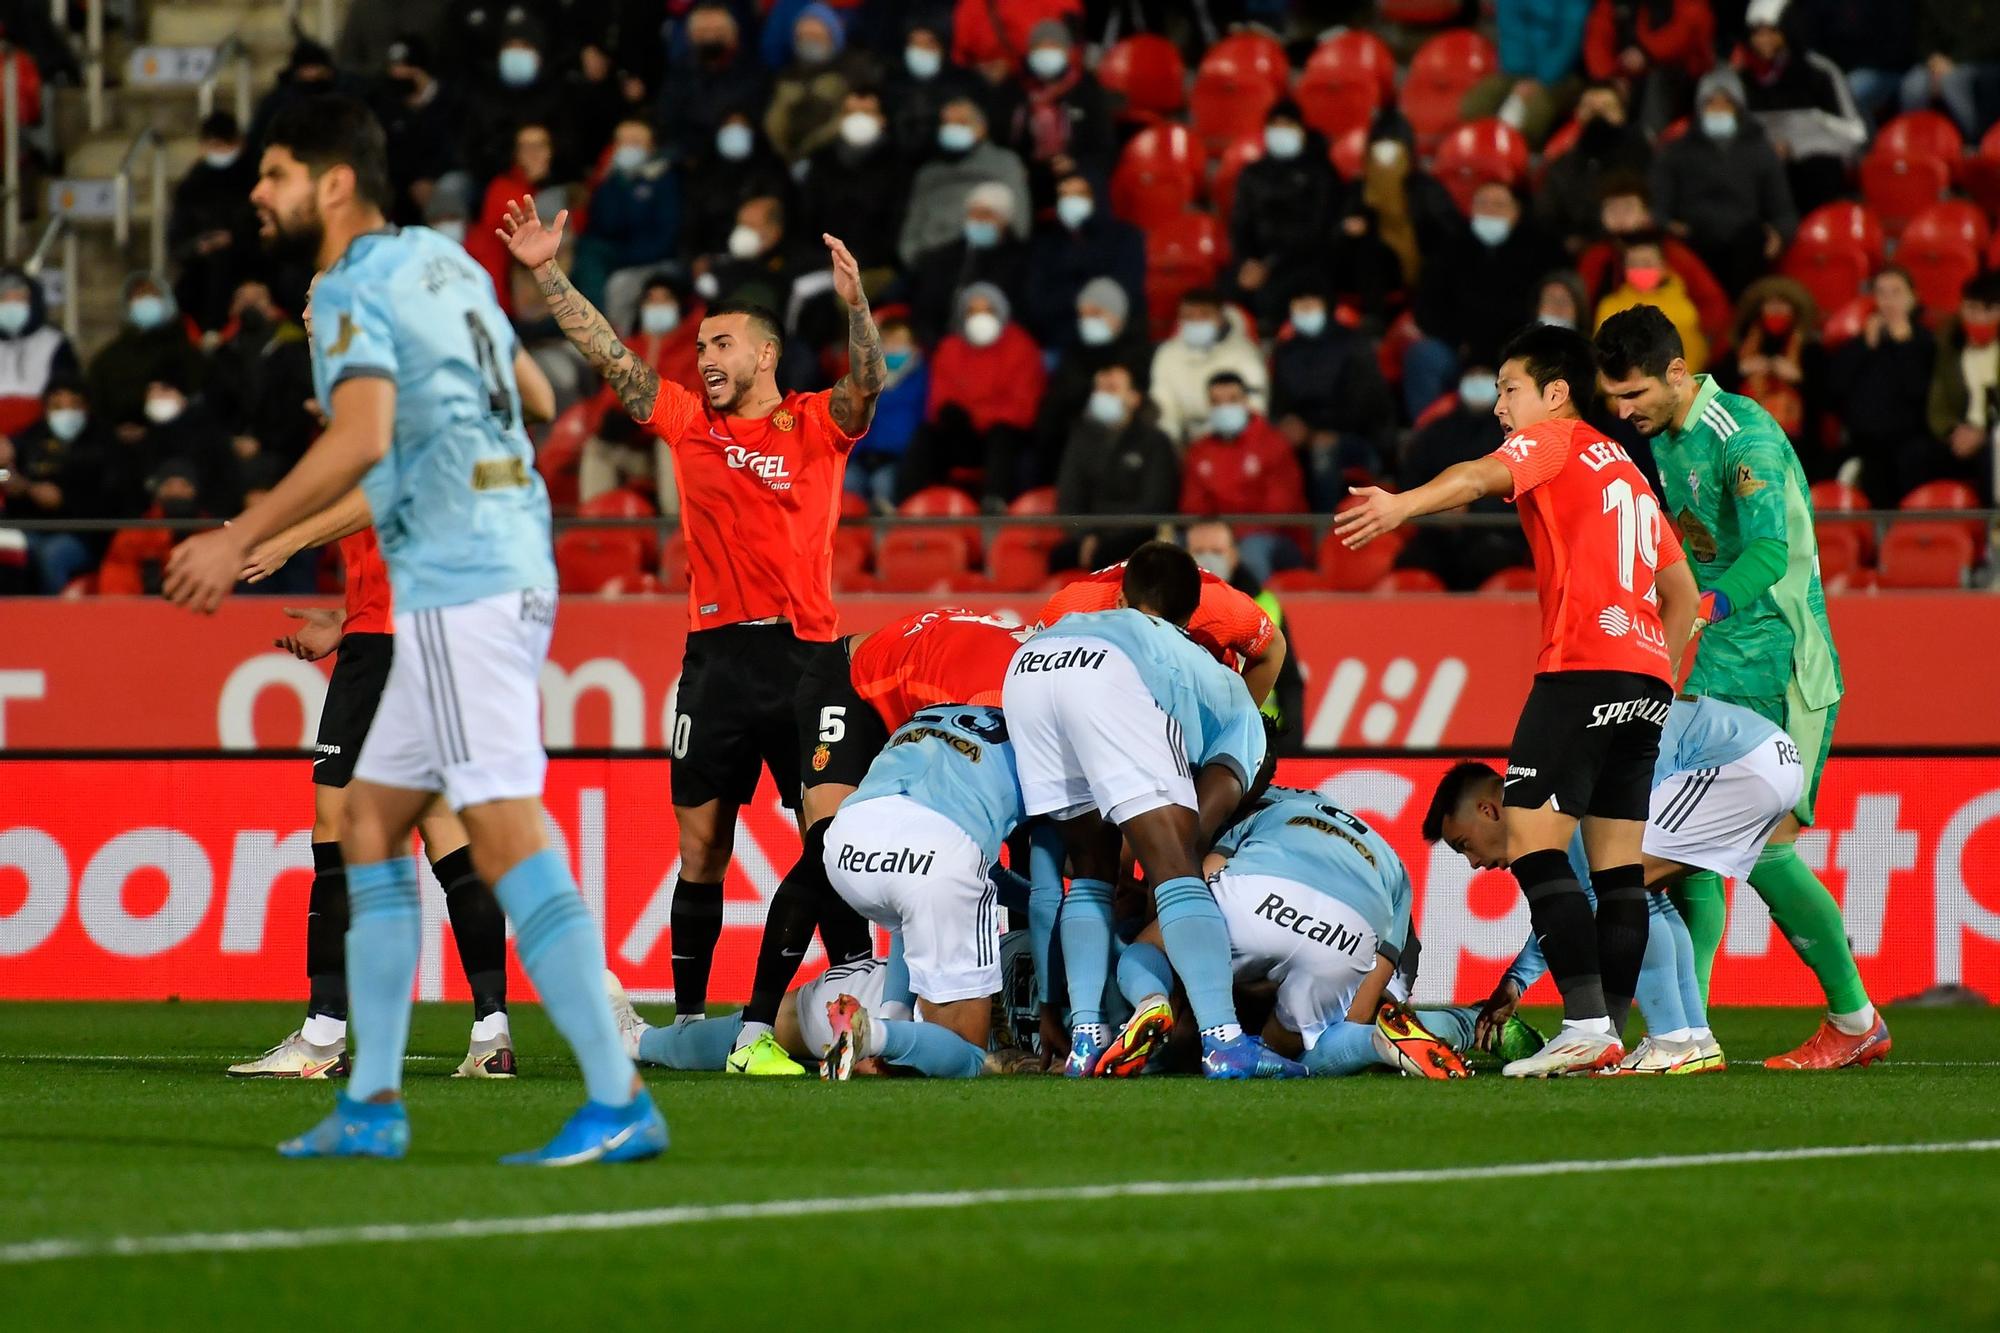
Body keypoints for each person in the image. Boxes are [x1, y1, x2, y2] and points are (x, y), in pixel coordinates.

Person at [163, 95, 664, 1162]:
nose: (258, 193)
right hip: (489, 558)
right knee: (374, 825)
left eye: (277, 174)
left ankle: (619, 1098)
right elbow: (530, 392)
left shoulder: (348, 283)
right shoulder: (447, 268)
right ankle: (373, 1102)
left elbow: (363, 433)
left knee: (504, 831)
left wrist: (246, 533)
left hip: (463, 582)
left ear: (334, 183)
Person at [499, 182, 885, 1052]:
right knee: (702, 848)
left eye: (720, 343)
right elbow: (609, 358)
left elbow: (869, 383)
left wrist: (858, 308)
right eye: (700, 344)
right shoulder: (686, 422)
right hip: (714, 660)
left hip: (809, 658)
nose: (703, 355)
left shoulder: (814, 422)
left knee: (830, 838)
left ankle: (856, 984)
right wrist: (549, 276)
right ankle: (688, 1019)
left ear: (763, 353)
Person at [1336, 322, 1700, 1077]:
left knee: (1534, 842)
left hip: (1581, 668)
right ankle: (1614, 1035)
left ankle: (1586, 1021)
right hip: (1643, 679)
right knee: (1619, 872)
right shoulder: (1628, 468)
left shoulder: (1557, 438)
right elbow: (1684, 592)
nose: (1501, 407)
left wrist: (1400, 507)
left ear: (1556, 393)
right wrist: (1657, 673)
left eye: (1510, 389)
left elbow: (1474, 477)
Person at [1596, 303, 1890, 1068]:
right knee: (1688, 842)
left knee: (1761, 849)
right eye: (1614, 401)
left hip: (1785, 660)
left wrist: (1702, 607)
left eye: (1635, 396)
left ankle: (1854, 1019)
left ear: (1676, 372)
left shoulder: (1743, 433)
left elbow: (1769, 551)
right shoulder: (1666, 437)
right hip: (1725, 659)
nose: (1626, 413)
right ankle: (1683, 1029)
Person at [1004, 542, 1304, 1080]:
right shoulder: (1214, 681)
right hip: (1110, 673)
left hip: (1029, 665)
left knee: (1091, 872)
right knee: (1178, 868)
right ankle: (1224, 1041)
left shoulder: (1072, 604)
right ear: (1190, 616)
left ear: (1123, 595)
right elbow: (1200, 814)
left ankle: (1085, 1039)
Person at [723, 605, 1026, 1076]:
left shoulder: (1023, 680)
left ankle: (869, 1022)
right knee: (826, 851)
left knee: (915, 854)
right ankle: (754, 1032)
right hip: (849, 683)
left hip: (914, 694)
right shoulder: (999, 700)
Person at [1425, 747, 1720, 1076]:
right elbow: (1571, 910)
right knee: (1642, 895)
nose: (1475, 863)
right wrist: (1516, 982)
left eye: (1465, 844)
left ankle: (1672, 1043)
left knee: (1624, 899)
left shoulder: (1552, 803)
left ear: (1487, 811)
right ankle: (1696, 1038)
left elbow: (1577, 909)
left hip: (1722, 769)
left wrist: (1517, 981)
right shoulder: (1554, 792)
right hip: (1738, 766)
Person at [1200, 785, 1467, 1079]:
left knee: (1272, 1055)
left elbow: (1192, 901)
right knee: (1330, 1027)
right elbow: (1360, 1005)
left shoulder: (1237, 811)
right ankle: (1454, 1025)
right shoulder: (1382, 854)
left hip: (1281, 911)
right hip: (1360, 934)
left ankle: (1380, 1040)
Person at [818, 703, 1026, 1080]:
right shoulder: (1038, 742)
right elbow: (1059, 878)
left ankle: (889, 1018)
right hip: (937, 850)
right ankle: (873, 1034)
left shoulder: (930, 714)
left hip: (847, 844)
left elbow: (988, 871)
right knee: (966, 1054)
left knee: (911, 913)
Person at [1408, 182, 1562, 421]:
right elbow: (1427, 309)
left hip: (1517, 349)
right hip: (1459, 347)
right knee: (1425, 355)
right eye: (1483, 204)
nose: (1490, 211)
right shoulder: (1449, 249)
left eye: (1499, 205)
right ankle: (1427, 433)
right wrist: (1463, 345)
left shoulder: (1542, 252)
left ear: (1516, 212)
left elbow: (1540, 311)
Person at [1649, 68, 1798, 294]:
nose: (1718, 110)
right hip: (1694, 238)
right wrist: (1669, 226)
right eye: (1711, 103)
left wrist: (1779, 233)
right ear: (1699, 108)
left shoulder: (1760, 151)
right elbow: (1658, 207)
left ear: (1739, 108)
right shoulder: (1676, 152)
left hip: (1745, 242)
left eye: (1726, 103)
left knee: (1752, 240)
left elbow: (1783, 211)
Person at [904, 282, 1043, 504]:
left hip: (1002, 434)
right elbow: (939, 399)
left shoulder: (1022, 347)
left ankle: (995, 503)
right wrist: (952, 414)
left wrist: (979, 415)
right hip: (963, 432)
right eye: (972, 311)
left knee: (1002, 436)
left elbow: (1023, 407)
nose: (980, 317)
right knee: (927, 436)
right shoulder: (949, 348)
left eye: (987, 310)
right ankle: (909, 505)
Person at [1736, 0, 1869, 214]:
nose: (1763, 41)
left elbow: (1855, 134)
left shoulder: (1820, 73)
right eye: (1757, 33)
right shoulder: (1742, 79)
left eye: (1771, 32)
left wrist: (1801, 139)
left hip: (1815, 169)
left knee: (1817, 171)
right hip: (1763, 167)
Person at [1269, 284, 1395, 506]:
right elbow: (1279, 403)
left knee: (1323, 449)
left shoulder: (1354, 344)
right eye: (1299, 305)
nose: (1305, 311)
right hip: (1303, 436)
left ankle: (1325, 526)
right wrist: (1286, 422)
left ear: (1326, 307)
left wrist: (1317, 432)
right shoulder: (1285, 351)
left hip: (1358, 438)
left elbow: (1368, 405)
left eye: (1311, 304)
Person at [1180, 372, 1308, 582]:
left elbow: (1280, 508)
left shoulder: (1273, 444)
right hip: (1215, 534)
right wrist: (1214, 534)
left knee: (1251, 553)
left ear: (1246, 401)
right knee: (1173, 553)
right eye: (1216, 402)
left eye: (1232, 400)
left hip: (1274, 536)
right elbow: (1192, 504)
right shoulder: (1199, 450)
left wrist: (1229, 534)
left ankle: (1254, 612)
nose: (1224, 407)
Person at [1054, 362, 1180, 570]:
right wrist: (1086, 535)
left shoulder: (1155, 442)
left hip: (1138, 535)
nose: (1102, 396)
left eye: (1111, 388)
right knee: (1057, 558)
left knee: (1107, 555)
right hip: (1090, 534)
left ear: (1134, 398)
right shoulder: (1080, 440)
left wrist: (1104, 534)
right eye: (1098, 389)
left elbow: (1156, 503)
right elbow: (1069, 499)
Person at [1577, 176, 1731, 345]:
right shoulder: (1595, 257)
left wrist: (1699, 341)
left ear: (1646, 212)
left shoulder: (1673, 254)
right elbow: (1581, 307)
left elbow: (1713, 303)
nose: (1619, 216)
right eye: (1612, 208)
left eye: (1628, 208)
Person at [1228, 101, 1340, 332]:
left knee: (1276, 294)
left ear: (1301, 131)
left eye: (1287, 125)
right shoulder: (1252, 173)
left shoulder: (1321, 172)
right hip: (1258, 260)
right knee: (1226, 290)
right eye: (1275, 125)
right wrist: (1248, 260)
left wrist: (1269, 264)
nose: (1280, 132)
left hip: (1305, 259)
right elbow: (1241, 223)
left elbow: (1317, 228)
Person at [1830, 266, 1935, 502]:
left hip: (1911, 439)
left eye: (1896, 293)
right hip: (1865, 440)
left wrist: (1904, 346)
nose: (1889, 301)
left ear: (1913, 297)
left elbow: (1920, 392)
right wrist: (1864, 347)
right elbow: (1836, 389)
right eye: (1881, 293)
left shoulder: (1926, 342)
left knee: (1912, 458)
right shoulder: (1860, 343)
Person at [897, 96, 1031, 267]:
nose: (952, 128)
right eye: (946, 123)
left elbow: (1019, 224)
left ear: (982, 128)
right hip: (929, 262)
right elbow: (909, 235)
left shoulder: (1005, 163)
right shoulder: (928, 173)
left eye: (961, 122)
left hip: (986, 261)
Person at [1022, 173, 1145, 351]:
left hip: (1119, 345)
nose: (1070, 201)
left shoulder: (1126, 238)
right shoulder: (1045, 245)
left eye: (1080, 194)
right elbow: (1038, 304)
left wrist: (1070, 291)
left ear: (1097, 197)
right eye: (1064, 195)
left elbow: (1124, 292)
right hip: (1060, 344)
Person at [2, 379, 104, 593]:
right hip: (29, 528)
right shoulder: (31, 438)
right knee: (8, 544)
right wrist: (5, 473)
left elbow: (108, 497)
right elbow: (4, 475)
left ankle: (53, 618)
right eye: (57, 406)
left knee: (52, 554)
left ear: (86, 407)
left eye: (73, 406)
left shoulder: (102, 443)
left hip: (83, 534)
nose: (65, 413)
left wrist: (54, 497)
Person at [800, 89, 912, 277]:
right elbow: (806, 220)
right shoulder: (821, 161)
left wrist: (857, 261)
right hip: (820, 263)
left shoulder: (899, 165)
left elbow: (896, 227)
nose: (858, 119)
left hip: (874, 266)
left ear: (883, 119)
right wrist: (824, 260)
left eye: (867, 112)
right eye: (851, 112)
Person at [573, 118, 680, 314]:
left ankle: (603, 330)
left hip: (652, 258)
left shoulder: (665, 180)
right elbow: (602, 226)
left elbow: (667, 236)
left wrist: (625, 257)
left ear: (651, 147)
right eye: (623, 142)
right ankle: (585, 320)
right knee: (586, 252)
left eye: (636, 142)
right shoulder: (611, 181)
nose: (628, 148)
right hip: (616, 254)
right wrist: (618, 185)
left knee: (618, 285)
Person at [168, 112, 260, 332]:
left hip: (252, 272)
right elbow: (176, 240)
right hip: (201, 277)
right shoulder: (192, 186)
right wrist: (199, 246)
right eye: (212, 144)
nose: (218, 151)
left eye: (223, 144)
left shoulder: (255, 180)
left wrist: (235, 240)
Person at [906, 181, 1030, 345]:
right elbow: (926, 306)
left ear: (1004, 220)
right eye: (973, 213)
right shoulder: (943, 258)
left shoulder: (1023, 259)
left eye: (986, 214)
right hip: (945, 345)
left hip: (1005, 345)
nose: (978, 220)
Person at [1715, 275, 1825, 455]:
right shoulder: (1739, 349)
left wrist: (1798, 379)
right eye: (1770, 305)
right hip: (1744, 443)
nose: (1775, 312)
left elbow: (1825, 398)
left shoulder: (1810, 350)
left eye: (1782, 306)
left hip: (1796, 446)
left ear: (1794, 309)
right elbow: (1715, 392)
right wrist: (1739, 370)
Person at [1461, 0, 1593, 146]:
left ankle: (1528, 159)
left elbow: (1570, 39)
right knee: (1475, 106)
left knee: (1534, 114)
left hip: (1565, 75)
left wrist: (1542, 79)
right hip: (1517, 72)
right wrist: (1519, 75)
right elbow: (1511, 33)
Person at [1537, 83, 1652, 248]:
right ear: (1577, 114)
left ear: (1622, 115)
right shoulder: (1562, 166)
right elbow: (1547, 217)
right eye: (1590, 109)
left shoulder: (1642, 158)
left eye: (1606, 108)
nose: (1598, 116)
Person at [1148, 290, 1269, 447]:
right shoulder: (1167, 354)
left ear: (1220, 317)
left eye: (1204, 315)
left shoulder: (1244, 354)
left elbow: (1255, 409)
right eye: (1188, 316)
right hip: (1182, 443)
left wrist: (1206, 447)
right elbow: (1163, 405)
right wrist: (1171, 442)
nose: (1196, 321)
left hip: (1234, 441)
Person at [86, 277, 205, 434]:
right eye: (139, 296)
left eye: (152, 295)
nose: (146, 301)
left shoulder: (187, 353)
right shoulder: (109, 359)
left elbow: (200, 401)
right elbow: (97, 408)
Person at [657, 3, 770, 164]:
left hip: (746, 155)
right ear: (690, 36)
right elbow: (668, 114)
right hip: (691, 153)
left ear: (733, 34)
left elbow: (755, 108)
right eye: (703, 32)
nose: (710, 37)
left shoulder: (753, 68)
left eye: (718, 31)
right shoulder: (680, 70)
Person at [1582, 0, 1715, 135]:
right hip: (1624, 76)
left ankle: (1649, 140)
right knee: (1601, 95)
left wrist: (1647, 52)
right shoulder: (1611, 4)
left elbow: (1689, 27)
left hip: (1683, 73)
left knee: (1659, 80)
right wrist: (1609, 79)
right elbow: (1598, 34)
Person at [373, 34, 466, 226]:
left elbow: (460, 147)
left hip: (444, 177)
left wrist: (429, 177)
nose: (398, 73)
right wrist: (412, 181)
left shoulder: (452, 101)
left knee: (450, 188)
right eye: (394, 67)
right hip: (403, 186)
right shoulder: (387, 105)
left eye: (405, 67)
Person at [1924, 270, 2000, 505]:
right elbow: (1937, 404)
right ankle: (1916, 531)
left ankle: (1993, 532)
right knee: (1913, 457)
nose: (1977, 317)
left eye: (1986, 310)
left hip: (1994, 437)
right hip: (1958, 436)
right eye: (1971, 308)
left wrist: (1984, 433)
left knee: (1993, 456)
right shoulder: (1949, 349)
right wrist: (1952, 431)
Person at [1593, 233, 1711, 373]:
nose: (1640, 269)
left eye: (1647, 263)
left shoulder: (1684, 307)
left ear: (1663, 265)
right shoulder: (1609, 306)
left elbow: (1695, 354)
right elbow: (1601, 357)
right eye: (1634, 264)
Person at [844, 315, 927, 509]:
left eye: (899, 341)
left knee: (883, 485)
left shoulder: (922, 378)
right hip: (864, 456)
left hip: (899, 458)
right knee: (847, 482)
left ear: (913, 345)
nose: (893, 347)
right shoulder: (864, 380)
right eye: (888, 341)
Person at [763, 3, 861, 164]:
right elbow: (774, 123)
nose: (811, 42)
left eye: (817, 37)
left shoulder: (853, 72)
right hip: (788, 158)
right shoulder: (787, 76)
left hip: (835, 158)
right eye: (805, 37)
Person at [1897, 0, 2000, 137]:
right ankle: (1916, 142)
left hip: (1979, 60)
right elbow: (1923, 38)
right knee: (1912, 86)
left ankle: (1972, 141)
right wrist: (1931, 58)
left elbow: (1991, 40)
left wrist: (1955, 61)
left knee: (1952, 82)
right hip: (1937, 62)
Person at [0, 266, 79, 435]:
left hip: (40, 439)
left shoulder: (54, 343)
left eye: (19, 298)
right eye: (4, 298)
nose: (11, 304)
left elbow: (68, 396)